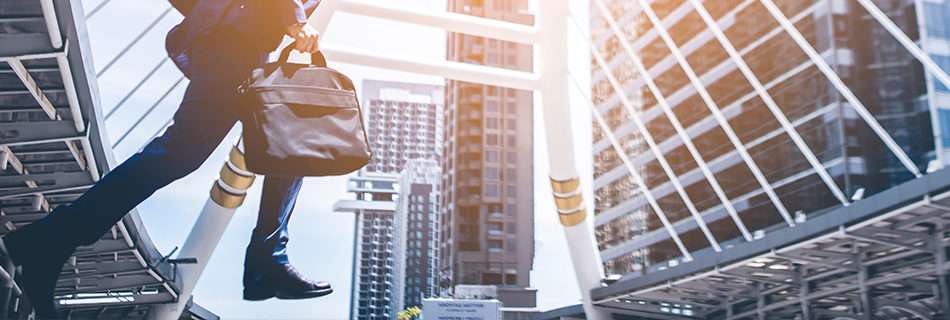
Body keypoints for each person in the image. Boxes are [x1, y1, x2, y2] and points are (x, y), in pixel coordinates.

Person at [2, 0, 329, 317]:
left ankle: (49, 241)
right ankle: (48, 241)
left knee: (273, 144)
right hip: (235, 43)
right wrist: (293, 19)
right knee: (187, 151)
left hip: (241, 42)